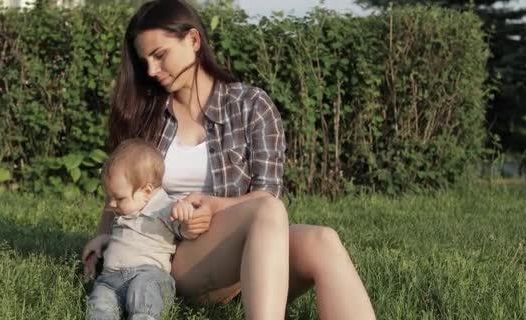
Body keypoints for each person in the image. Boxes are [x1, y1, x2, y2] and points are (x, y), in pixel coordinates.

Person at [82, 0, 377, 319]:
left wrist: (215, 206)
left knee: (322, 239)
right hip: (168, 250)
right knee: (265, 211)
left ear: (193, 40)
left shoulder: (251, 106)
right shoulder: (148, 116)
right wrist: (105, 234)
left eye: (160, 55)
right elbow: (122, 186)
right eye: (146, 62)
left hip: (251, 247)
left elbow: (269, 195)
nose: (153, 71)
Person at [85, 138, 198, 320]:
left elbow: (188, 231)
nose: (111, 204)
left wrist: (186, 214)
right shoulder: (125, 211)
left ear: (146, 191)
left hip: (148, 275)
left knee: (143, 294)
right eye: (110, 197)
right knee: (100, 300)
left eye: (119, 198)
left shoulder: (167, 209)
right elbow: (123, 239)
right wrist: (104, 240)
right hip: (111, 279)